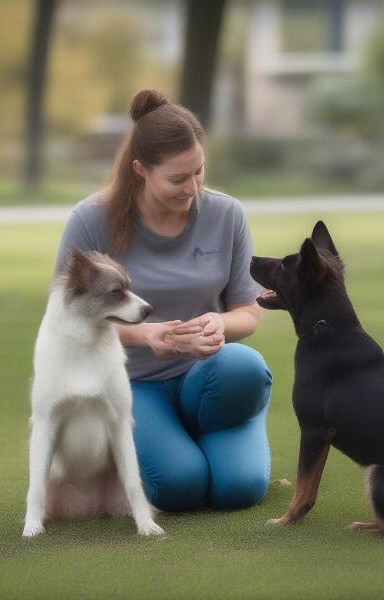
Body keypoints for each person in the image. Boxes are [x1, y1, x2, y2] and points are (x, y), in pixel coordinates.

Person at [54, 89, 272, 512]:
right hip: (133, 385)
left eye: (199, 172)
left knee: (239, 488)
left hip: (207, 381)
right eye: (177, 178)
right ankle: (145, 448)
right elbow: (66, 324)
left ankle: (210, 430)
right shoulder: (90, 221)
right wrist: (143, 335)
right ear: (140, 170)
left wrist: (220, 324)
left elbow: (249, 313)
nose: (192, 188)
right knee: (180, 487)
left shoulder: (227, 215)